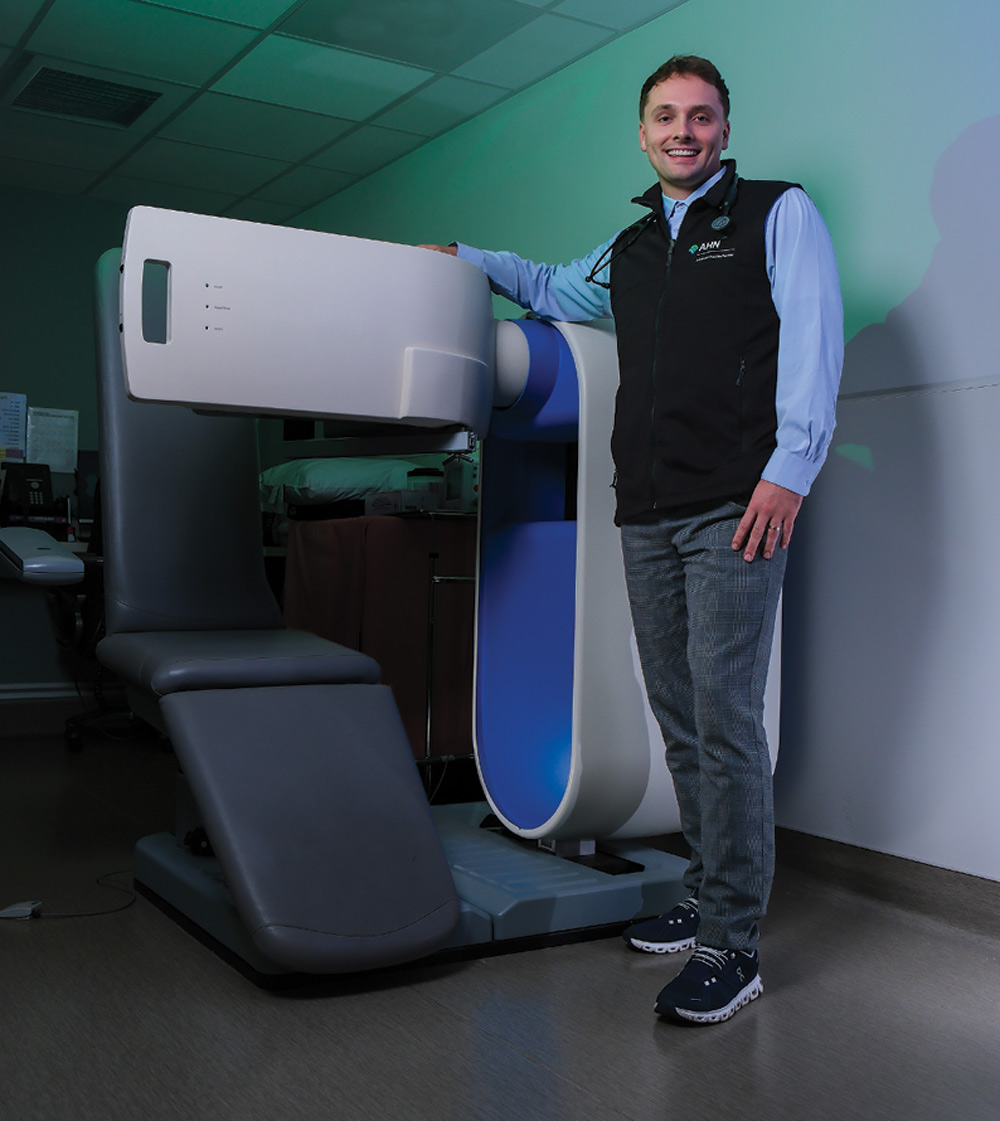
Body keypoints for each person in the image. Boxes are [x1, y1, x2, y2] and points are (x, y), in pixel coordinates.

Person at [422, 55, 843, 1024]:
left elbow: (815, 335)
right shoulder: (630, 248)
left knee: (726, 717)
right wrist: (465, 258)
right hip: (645, 508)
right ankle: (703, 887)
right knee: (681, 714)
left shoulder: (778, 213)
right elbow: (552, 285)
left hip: (739, 501)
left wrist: (790, 468)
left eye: (700, 117)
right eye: (665, 116)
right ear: (642, 133)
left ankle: (731, 944)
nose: (682, 131)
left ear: (724, 130)